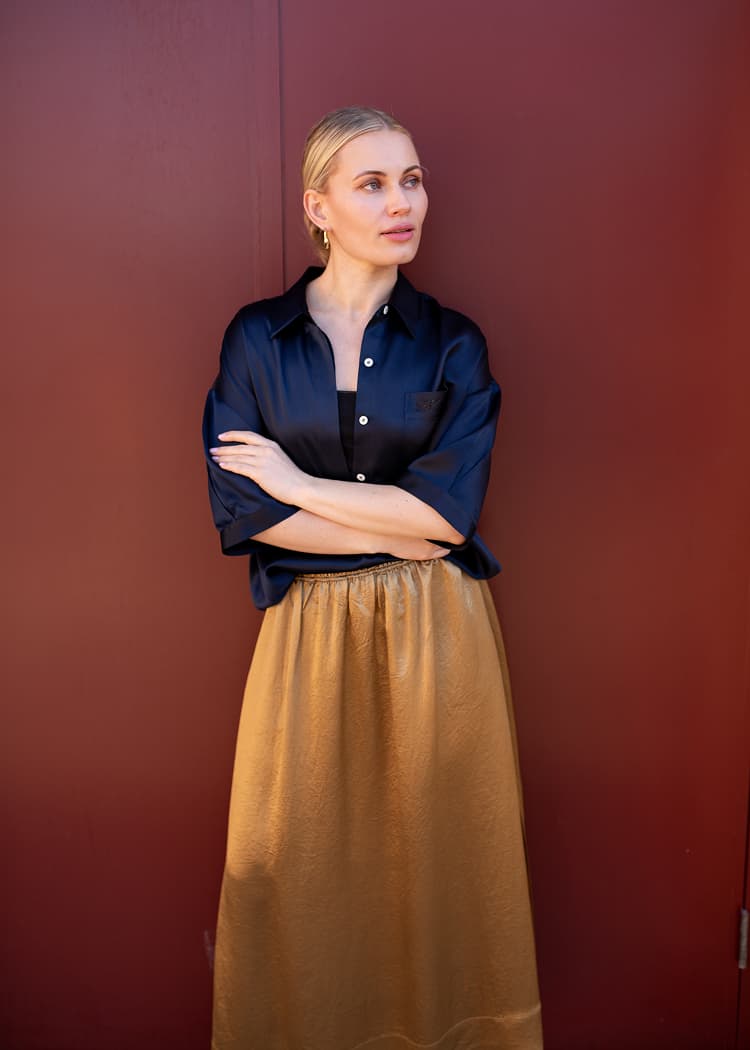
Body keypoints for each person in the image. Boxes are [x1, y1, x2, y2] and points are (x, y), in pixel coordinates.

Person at [202, 105, 544, 1050]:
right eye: (373, 183)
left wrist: (302, 484)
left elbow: (448, 519)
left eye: (413, 180)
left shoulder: (452, 343)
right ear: (319, 207)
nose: (404, 203)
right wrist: (390, 523)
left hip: (439, 636)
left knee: (442, 861)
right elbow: (244, 514)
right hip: (306, 636)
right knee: (287, 858)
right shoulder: (257, 339)